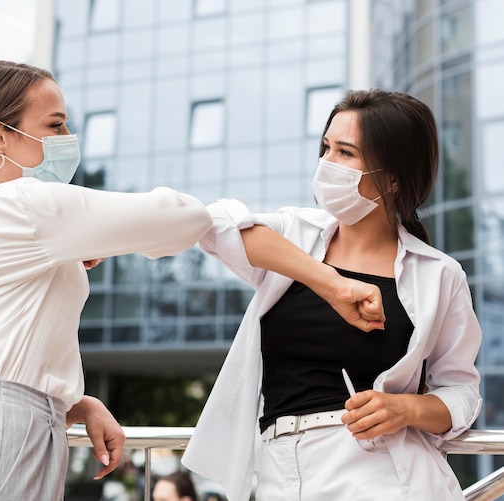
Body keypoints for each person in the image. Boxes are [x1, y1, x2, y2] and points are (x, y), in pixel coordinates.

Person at [0, 59, 216, 501]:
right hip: (0, 441)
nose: (67, 140)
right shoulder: (20, 204)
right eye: (55, 125)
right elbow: (184, 218)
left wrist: (75, 403)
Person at [182, 89, 482, 500]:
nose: (327, 164)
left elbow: (462, 391)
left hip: (386, 476)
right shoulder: (294, 236)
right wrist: (330, 282)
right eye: (325, 148)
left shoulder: (438, 274)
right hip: (282, 472)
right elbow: (212, 225)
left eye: (345, 152)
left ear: (393, 176)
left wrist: (405, 409)